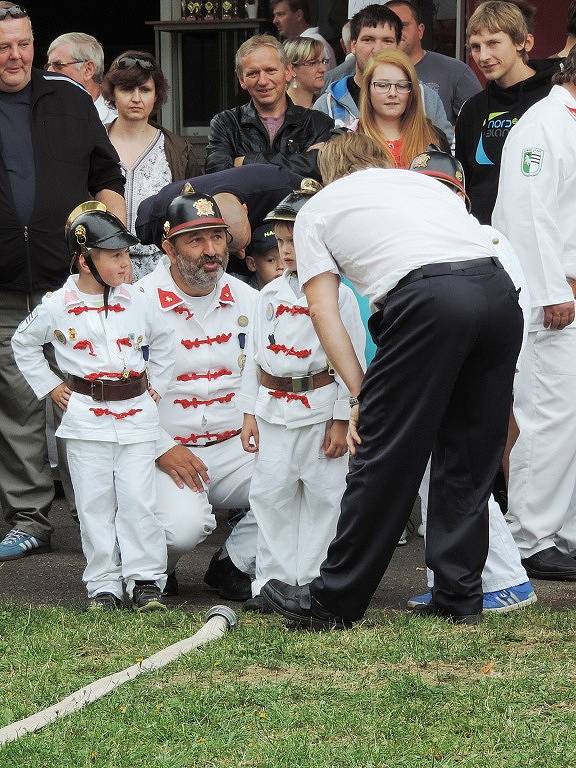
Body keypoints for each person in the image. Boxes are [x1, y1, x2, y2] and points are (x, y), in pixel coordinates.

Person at [259, 132, 523, 627]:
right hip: (497, 293)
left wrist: (361, 393)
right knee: (469, 457)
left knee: (382, 457)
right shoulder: (420, 185)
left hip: (430, 299)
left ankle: (333, 601)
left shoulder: (319, 207)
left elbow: (321, 308)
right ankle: (459, 595)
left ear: (330, 173)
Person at [0, 3, 126, 562]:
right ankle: (30, 517)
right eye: (4, 46)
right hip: (3, 285)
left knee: (91, 396)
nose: (16, 56)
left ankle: (105, 513)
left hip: (69, 281)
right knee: (21, 404)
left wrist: (111, 247)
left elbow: (106, 177)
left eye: (24, 43)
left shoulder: (70, 99)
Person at [11, 203, 174, 610]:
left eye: (126, 255)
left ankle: (146, 580)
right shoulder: (56, 305)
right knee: (94, 502)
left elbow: (167, 341)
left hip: (137, 415)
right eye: (115, 256)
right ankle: (102, 583)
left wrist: (155, 385)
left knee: (139, 500)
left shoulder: (138, 299)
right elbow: (23, 343)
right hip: (86, 418)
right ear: (85, 261)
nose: (126, 264)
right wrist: (51, 386)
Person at [404, 149, 535, 614]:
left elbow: (510, 317)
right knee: (435, 478)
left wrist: (505, 393)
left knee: (460, 477)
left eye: (443, 189)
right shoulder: (407, 239)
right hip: (433, 374)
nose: (432, 200)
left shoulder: (487, 239)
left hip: (477, 376)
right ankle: (453, 577)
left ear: (461, 195)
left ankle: (504, 578)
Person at [239, 180, 365, 612]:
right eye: (281, 240)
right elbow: (253, 356)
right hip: (274, 410)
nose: (287, 250)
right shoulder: (268, 295)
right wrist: (249, 412)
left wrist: (340, 417)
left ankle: (311, 582)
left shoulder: (340, 296)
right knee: (270, 495)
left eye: (296, 240)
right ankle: (270, 583)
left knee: (322, 497)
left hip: (317, 409)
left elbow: (350, 359)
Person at [137, 190, 259, 600]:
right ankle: (153, 565)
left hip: (234, 447)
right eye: (196, 240)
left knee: (307, 480)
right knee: (183, 529)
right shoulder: (136, 304)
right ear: (168, 248)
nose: (211, 251)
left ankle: (234, 563)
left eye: (218, 237)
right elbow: (118, 397)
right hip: (165, 450)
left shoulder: (252, 300)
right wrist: (159, 446)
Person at [492, 47, 576, 581]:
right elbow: (527, 213)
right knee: (546, 414)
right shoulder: (541, 124)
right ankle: (531, 534)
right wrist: (550, 291)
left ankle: (562, 531)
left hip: (568, 287)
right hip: (553, 296)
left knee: (567, 418)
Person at [455, 1, 559, 224]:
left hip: (543, 238)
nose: (483, 56)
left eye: (493, 43)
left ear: (524, 42)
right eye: (475, 46)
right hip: (485, 241)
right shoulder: (472, 109)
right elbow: (464, 184)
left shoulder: (556, 98)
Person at [102, 51, 201, 282]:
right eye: (127, 89)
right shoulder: (94, 142)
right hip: (104, 269)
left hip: (163, 271)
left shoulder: (178, 149)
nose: (136, 98)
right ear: (113, 94)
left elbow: (192, 210)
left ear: (156, 95)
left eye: (145, 90)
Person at [314, 4, 453, 143]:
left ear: (398, 47)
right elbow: (316, 160)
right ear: (353, 46)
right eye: (368, 40)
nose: (378, 49)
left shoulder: (425, 97)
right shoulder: (328, 103)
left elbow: (445, 155)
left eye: (387, 41)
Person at [205, 35, 334, 180]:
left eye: (270, 70)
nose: (263, 81)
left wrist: (247, 161)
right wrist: (301, 161)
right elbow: (216, 175)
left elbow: (321, 169)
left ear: (288, 71)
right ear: (241, 79)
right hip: (243, 203)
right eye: (253, 73)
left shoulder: (318, 123)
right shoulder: (226, 123)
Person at [135, 164, 303, 259]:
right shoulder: (164, 208)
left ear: (245, 209)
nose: (242, 255)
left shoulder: (281, 184)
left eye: (242, 247)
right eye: (235, 250)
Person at [385, 1, 481, 124]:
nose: (396, 32)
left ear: (420, 31)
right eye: (389, 26)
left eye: (402, 25)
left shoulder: (455, 71)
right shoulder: (368, 71)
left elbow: (477, 123)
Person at [358, 49, 450, 168]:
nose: (392, 93)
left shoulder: (435, 138)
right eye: (382, 85)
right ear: (368, 90)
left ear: (412, 92)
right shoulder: (349, 141)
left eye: (401, 86)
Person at [46, 32, 117, 125]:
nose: (48, 71)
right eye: (48, 65)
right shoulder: (43, 110)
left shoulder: (120, 116)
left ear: (88, 70)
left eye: (58, 65)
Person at [272, 0, 336, 69]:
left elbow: (317, 78)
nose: (275, 21)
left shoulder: (313, 44)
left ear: (299, 15)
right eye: (275, 15)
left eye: (280, 14)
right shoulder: (299, 44)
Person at [284, 37, 329, 108]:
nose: (323, 69)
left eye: (323, 61)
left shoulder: (328, 105)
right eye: (312, 63)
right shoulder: (278, 110)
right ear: (291, 70)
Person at [244, 223, 284, 289]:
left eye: (284, 258)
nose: (281, 266)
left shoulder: (302, 291)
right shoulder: (243, 294)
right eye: (271, 260)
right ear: (252, 264)